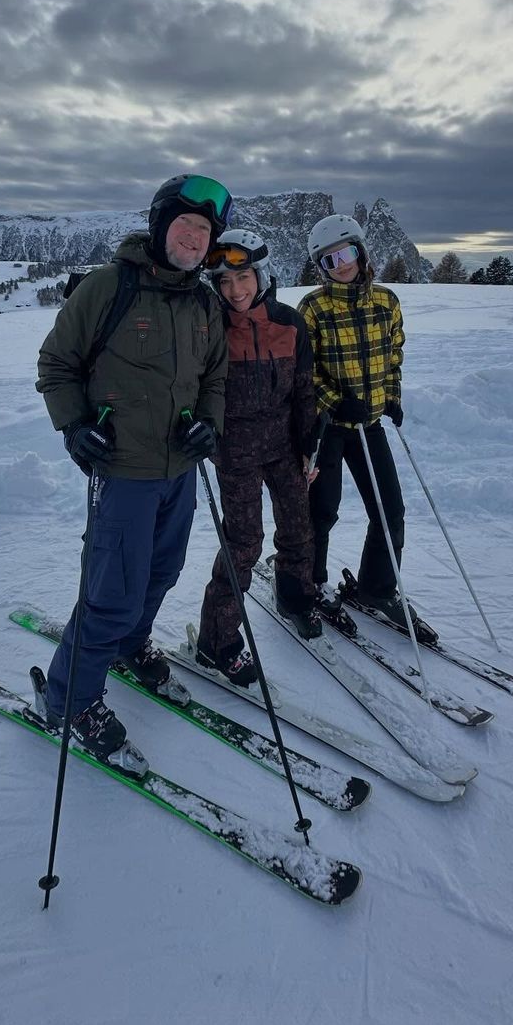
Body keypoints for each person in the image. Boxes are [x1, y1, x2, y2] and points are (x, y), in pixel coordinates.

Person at [35, 174, 232, 763]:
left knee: (162, 571)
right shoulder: (108, 288)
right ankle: (70, 699)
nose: (195, 239)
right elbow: (56, 363)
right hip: (122, 469)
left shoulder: (204, 302)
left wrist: (210, 425)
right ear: (160, 226)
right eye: (186, 225)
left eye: (204, 231)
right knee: (112, 590)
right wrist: (74, 426)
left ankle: (128, 644)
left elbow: (215, 377)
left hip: (180, 470)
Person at [194, 229, 324, 687]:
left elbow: (305, 389)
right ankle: (218, 638)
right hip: (235, 451)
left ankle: (294, 595)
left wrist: (310, 443)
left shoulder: (289, 322)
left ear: (262, 275)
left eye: (243, 277)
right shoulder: (210, 327)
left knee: (298, 527)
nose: (235, 291)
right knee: (244, 541)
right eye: (224, 282)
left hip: (285, 445)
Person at [297, 213, 407, 623]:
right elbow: (302, 370)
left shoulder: (386, 303)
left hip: (369, 426)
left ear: (360, 251)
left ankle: (377, 587)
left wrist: (391, 398)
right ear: (321, 268)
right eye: (329, 260)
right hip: (327, 428)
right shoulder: (312, 309)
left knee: (389, 510)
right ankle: (309, 582)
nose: (341, 264)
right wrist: (333, 401)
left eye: (346, 253)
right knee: (321, 512)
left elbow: (394, 356)